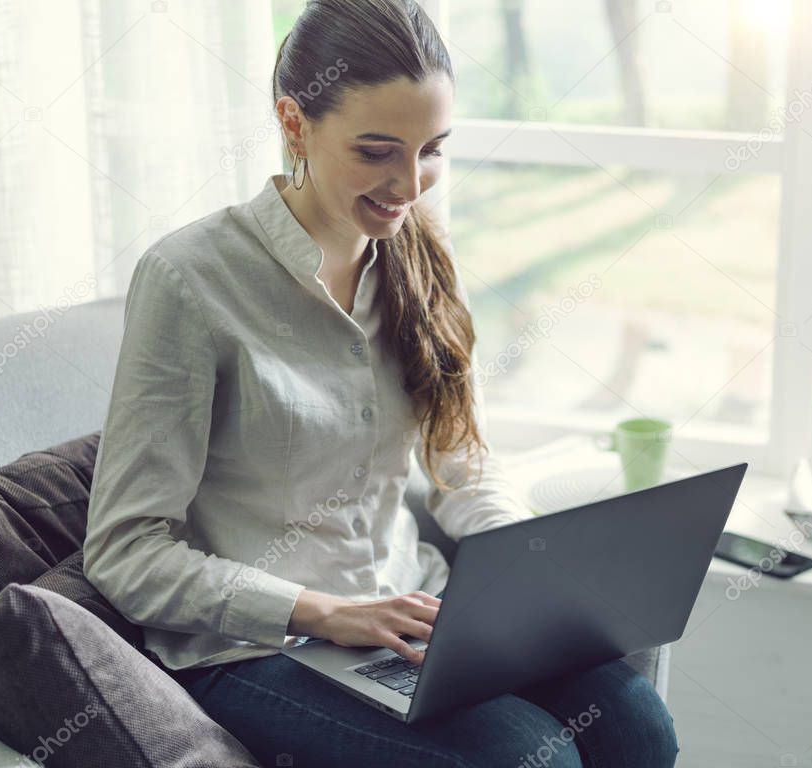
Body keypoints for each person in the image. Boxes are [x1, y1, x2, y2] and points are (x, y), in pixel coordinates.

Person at [82, 1, 679, 765]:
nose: (409, 183)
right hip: (257, 649)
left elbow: (461, 463)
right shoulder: (190, 280)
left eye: (432, 149)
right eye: (376, 151)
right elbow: (127, 548)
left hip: (414, 613)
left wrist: (528, 569)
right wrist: (326, 611)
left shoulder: (421, 259)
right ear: (294, 122)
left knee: (634, 722)